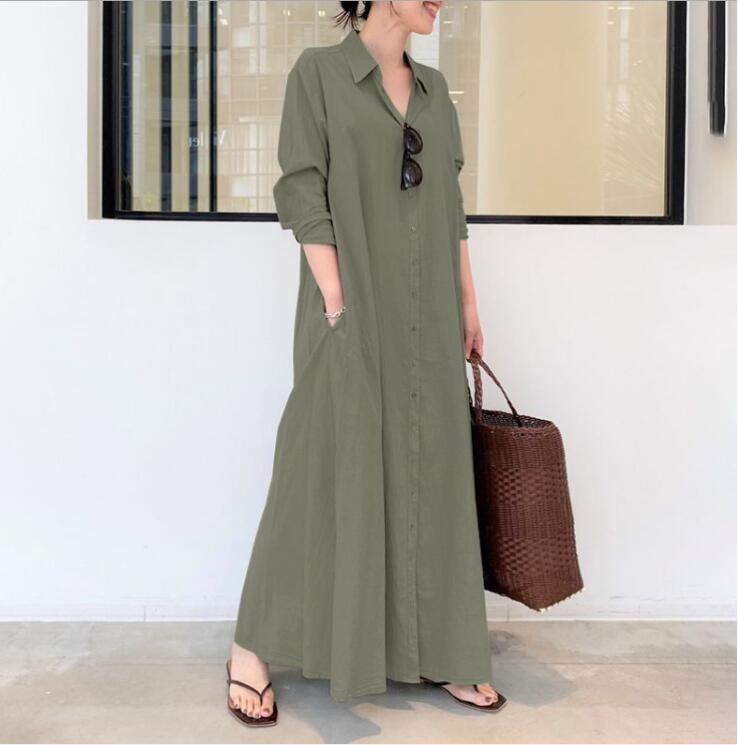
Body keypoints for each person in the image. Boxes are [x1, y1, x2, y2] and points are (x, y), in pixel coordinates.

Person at [225, 1, 506, 727]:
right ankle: (251, 646)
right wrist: (337, 301)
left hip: (428, 315)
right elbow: (302, 190)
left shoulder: (436, 92)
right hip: (348, 311)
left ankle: (440, 647)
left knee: (429, 469)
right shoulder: (318, 75)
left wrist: (468, 306)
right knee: (319, 464)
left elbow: (450, 207)